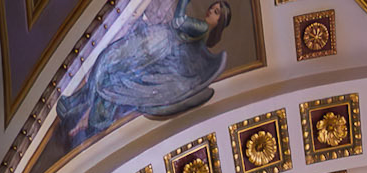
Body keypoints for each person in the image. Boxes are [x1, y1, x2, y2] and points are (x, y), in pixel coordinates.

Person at [55, 0, 233, 151]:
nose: (211, 10)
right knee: (113, 74)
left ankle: (78, 106)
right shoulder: (200, 34)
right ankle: (82, 112)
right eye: (213, 7)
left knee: (108, 62)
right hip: (158, 45)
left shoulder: (201, 27)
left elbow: (177, 22)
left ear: (219, 22)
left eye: (216, 12)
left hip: (157, 42)